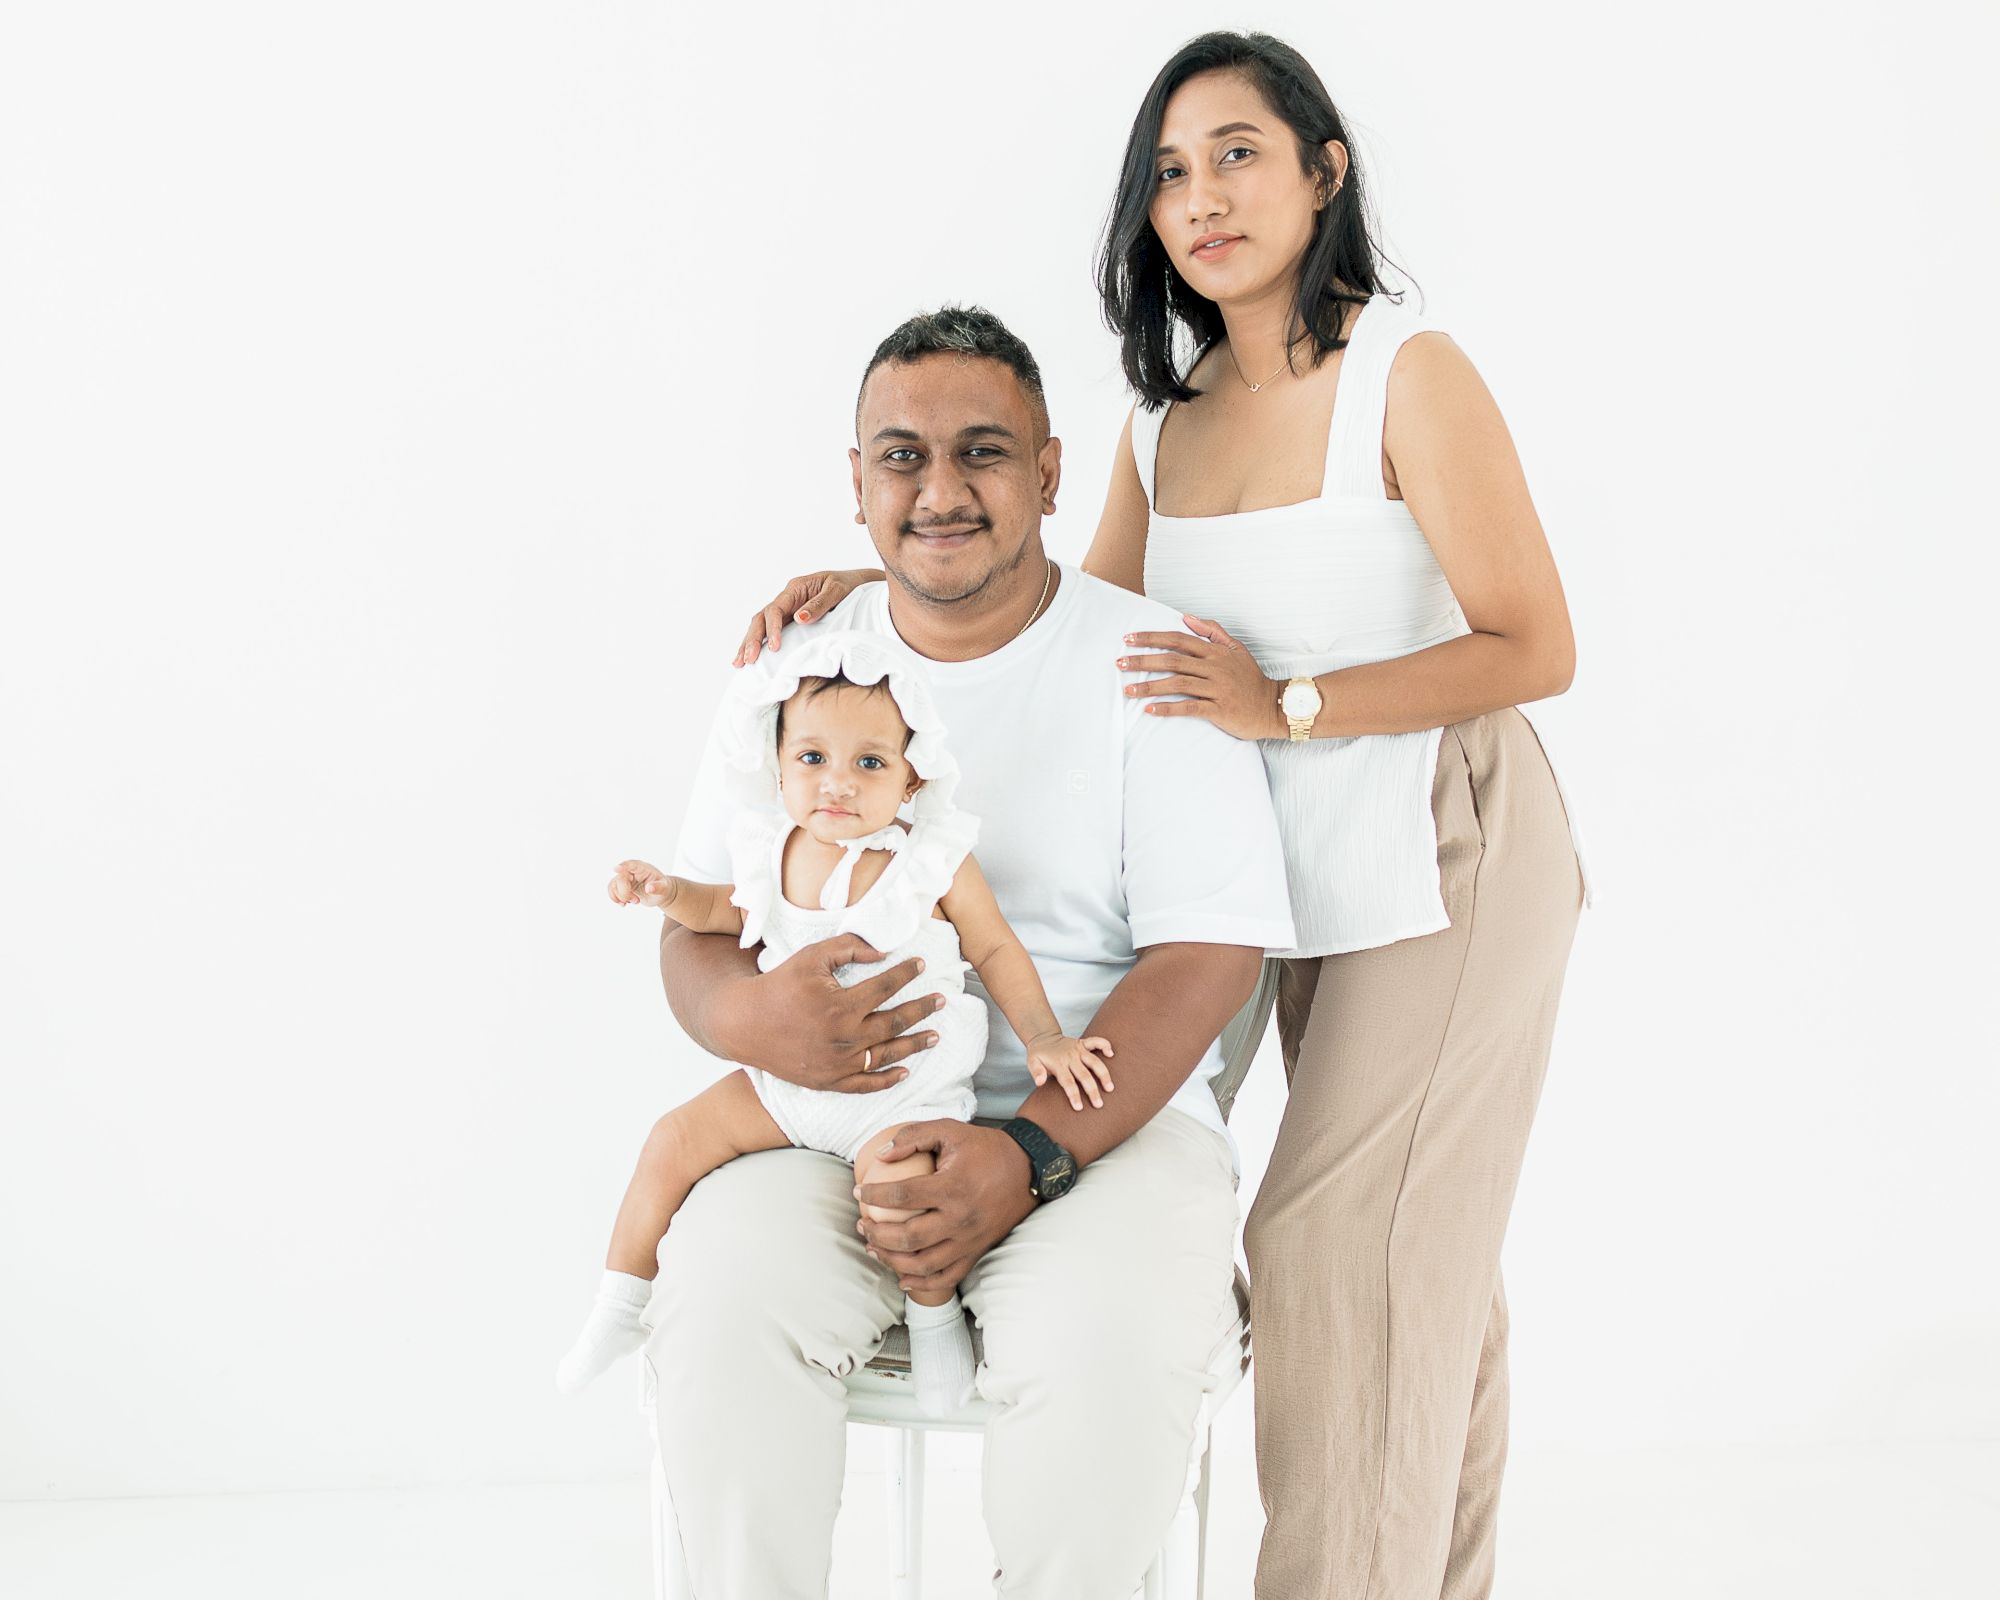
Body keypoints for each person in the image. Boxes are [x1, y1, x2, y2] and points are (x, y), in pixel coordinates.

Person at [737, 31, 1590, 1600]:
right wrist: (898, 571)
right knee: (1420, 1257)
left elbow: (1535, 645)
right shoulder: (1164, 422)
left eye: (1239, 154)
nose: (1202, 197)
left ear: (1325, 172)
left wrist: (1291, 705)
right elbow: (1080, 624)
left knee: (1339, 1242)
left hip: (1443, 839)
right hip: (1269, 865)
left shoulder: (1408, 374)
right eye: (1172, 172)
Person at [651, 304, 1295, 1597]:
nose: (939, 491)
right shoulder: (791, 672)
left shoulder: (1151, 663)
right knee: (720, 1293)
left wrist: (1028, 1154)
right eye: (902, 457)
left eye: (983, 454)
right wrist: (748, 1021)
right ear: (856, 484)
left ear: (1049, 472)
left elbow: (1211, 956)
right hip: (831, 1122)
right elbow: (698, 922)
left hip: (1102, 1129)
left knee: (1106, 1343)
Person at [555, 633, 1115, 1415]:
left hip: (902, 1096)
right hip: (791, 1086)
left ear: (911, 776)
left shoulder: (931, 860)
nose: (838, 783)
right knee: (671, 1139)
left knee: (906, 1209)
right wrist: (666, 892)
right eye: (813, 759)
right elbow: (722, 911)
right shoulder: (772, 849)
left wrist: (1044, 1036)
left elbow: (994, 947)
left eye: (870, 762)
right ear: (779, 767)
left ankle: (932, 1321)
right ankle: (619, 1303)